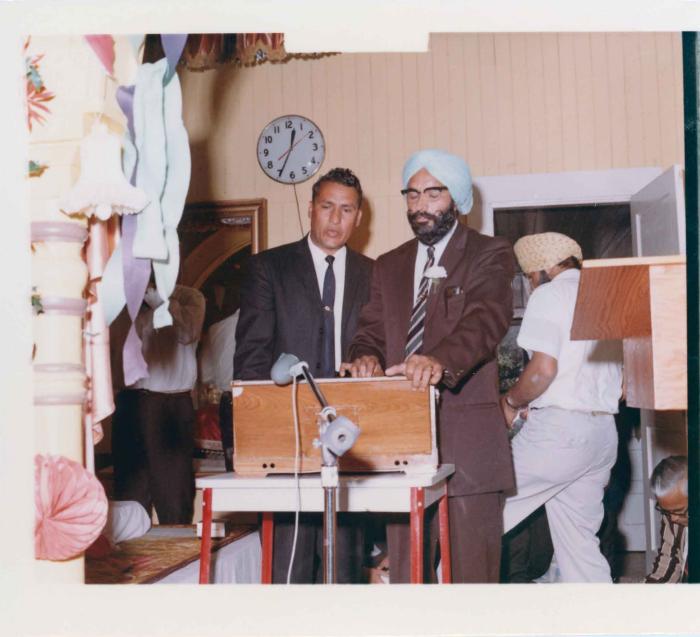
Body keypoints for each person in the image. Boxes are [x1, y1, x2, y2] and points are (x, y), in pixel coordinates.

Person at [343, 149, 515, 583]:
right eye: (412, 194)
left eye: (433, 193)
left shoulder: (489, 254)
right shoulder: (389, 264)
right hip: (403, 444)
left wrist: (438, 361)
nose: (420, 205)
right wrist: (366, 354)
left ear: (455, 198)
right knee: (407, 576)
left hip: (469, 447)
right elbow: (370, 330)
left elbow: (485, 321)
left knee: (472, 581)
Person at [233, 167, 373, 583]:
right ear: (310, 210)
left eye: (346, 210)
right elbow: (252, 360)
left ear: (359, 218)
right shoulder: (268, 268)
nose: (335, 219)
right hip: (287, 443)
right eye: (327, 207)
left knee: (344, 577)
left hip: (351, 447)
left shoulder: (375, 273)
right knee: (287, 575)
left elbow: (379, 346)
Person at [500, 232, 623, 582]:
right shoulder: (604, 298)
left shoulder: (550, 294)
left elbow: (543, 370)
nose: (529, 284)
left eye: (528, 276)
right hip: (602, 435)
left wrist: (511, 401)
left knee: (480, 514)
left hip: (560, 435)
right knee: (581, 547)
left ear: (544, 268)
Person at [111, 283, 205, 524]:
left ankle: (179, 556)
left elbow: (187, 334)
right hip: (128, 404)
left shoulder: (189, 297)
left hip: (169, 405)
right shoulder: (119, 296)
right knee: (129, 496)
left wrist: (161, 302)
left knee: (173, 496)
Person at [646, 455, 688, 583]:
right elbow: (669, 561)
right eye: (666, 511)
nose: (673, 518)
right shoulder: (670, 516)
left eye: (679, 511)